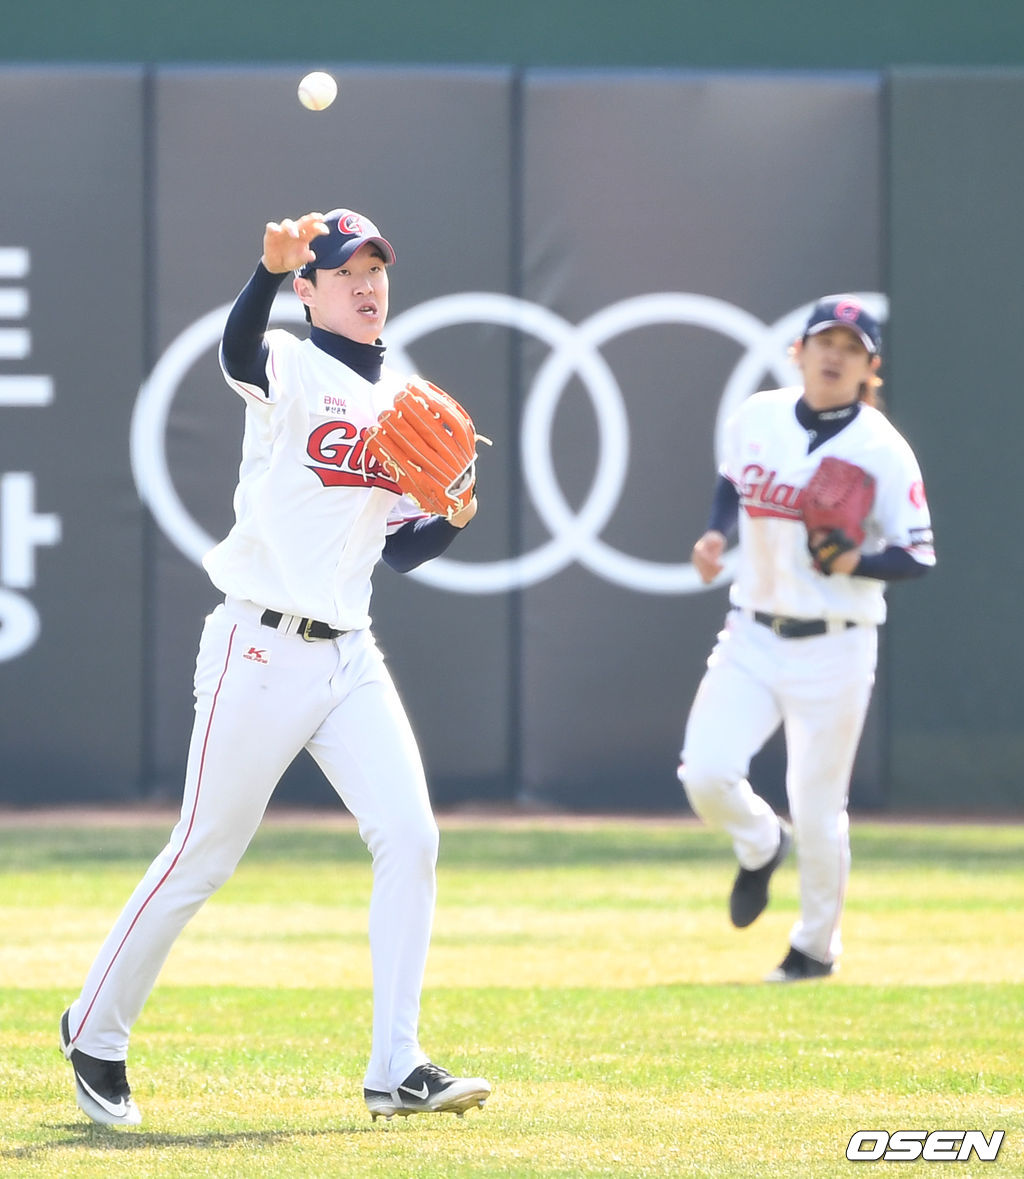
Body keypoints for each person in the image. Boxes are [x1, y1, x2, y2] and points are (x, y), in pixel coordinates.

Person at [59, 208, 491, 1125]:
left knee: (411, 838)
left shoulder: (404, 397)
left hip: (350, 654)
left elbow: (402, 553)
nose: (367, 284)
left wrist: (449, 517)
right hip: (259, 646)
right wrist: (264, 273)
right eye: (345, 272)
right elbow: (234, 354)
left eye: (376, 268)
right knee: (203, 853)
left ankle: (397, 1066)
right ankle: (94, 1029)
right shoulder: (290, 360)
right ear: (311, 290)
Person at [678, 295, 935, 982]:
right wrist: (714, 536)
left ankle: (815, 950)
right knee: (704, 772)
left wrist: (857, 561)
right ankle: (761, 843)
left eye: (851, 348)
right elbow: (732, 486)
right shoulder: (756, 417)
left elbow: (918, 554)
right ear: (798, 351)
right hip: (753, 629)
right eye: (825, 341)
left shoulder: (882, 449)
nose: (834, 355)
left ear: (869, 368)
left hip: (837, 642)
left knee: (820, 806)